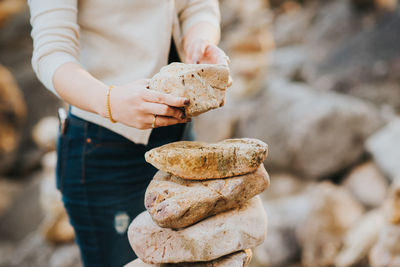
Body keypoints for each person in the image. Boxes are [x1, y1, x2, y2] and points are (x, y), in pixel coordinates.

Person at [28, 1, 230, 266]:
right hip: (104, 148)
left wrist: (199, 43)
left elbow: (198, 6)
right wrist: (110, 101)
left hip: (180, 137)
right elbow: (51, 53)